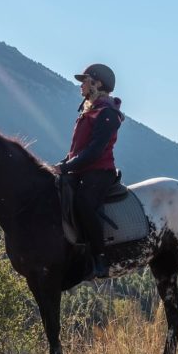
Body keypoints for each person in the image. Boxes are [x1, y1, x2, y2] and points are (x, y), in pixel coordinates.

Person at [58, 63, 124, 278]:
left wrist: (67, 167)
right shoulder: (90, 112)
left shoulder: (107, 114)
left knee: (83, 204)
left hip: (99, 171)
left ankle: (100, 258)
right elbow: (77, 150)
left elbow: (95, 151)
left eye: (85, 80)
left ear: (97, 83)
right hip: (81, 170)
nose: (81, 85)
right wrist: (62, 164)